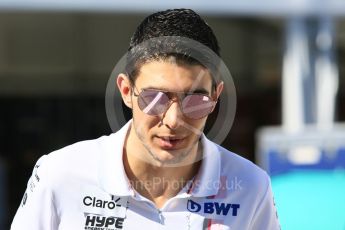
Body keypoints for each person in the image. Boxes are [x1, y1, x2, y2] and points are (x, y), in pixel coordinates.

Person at [11, 9, 280, 230]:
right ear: (126, 92)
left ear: (216, 96)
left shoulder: (250, 186)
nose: (174, 120)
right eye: (155, 99)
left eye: (196, 100)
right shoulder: (60, 174)